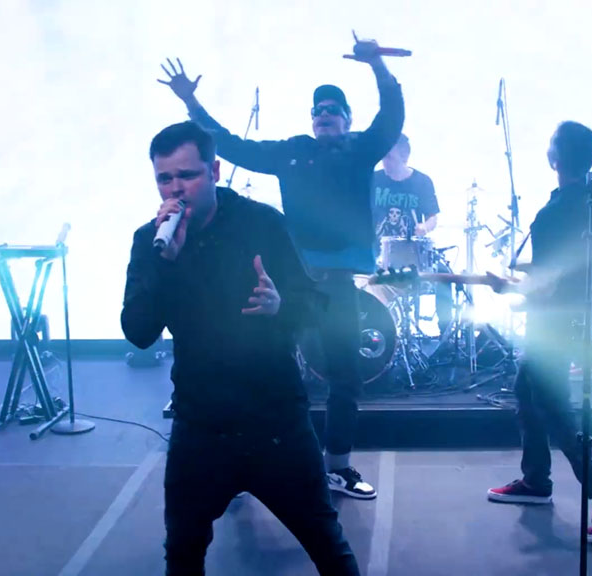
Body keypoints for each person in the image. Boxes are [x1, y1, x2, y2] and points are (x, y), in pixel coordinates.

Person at [158, 37, 405, 500]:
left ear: (346, 119)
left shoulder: (359, 149)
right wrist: (191, 102)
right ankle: (238, 466)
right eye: (317, 110)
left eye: (333, 109)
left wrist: (377, 65)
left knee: (345, 376)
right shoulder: (292, 152)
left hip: (337, 286)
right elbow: (232, 145)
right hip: (291, 280)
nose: (324, 114)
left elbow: (391, 118)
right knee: (258, 368)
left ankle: (337, 468)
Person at [121, 121, 360, 574]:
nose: (176, 189)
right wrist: (166, 264)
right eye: (164, 179)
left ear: (214, 171)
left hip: (275, 421)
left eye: (187, 175)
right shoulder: (151, 242)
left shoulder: (262, 223)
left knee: (327, 544)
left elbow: (313, 305)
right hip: (201, 425)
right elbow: (139, 332)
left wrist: (280, 305)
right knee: (183, 553)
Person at [486, 82, 592, 544]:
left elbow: (544, 284)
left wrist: (507, 286)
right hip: (585, 311)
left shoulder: (552, 215)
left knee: (555, 409)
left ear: (554, 160)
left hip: (553, 321)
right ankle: (536, 482)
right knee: (527, 391)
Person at [372, 134, 454, 334]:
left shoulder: (422, 182)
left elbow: (433, 217)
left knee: (445, 275)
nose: (384, 161)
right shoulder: (374, 180)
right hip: (379, 254)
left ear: (404, 156)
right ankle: (381, 330)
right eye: (383, 156)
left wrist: (424, 227)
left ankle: (445, 333)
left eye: (389, 157)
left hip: (413, 254)